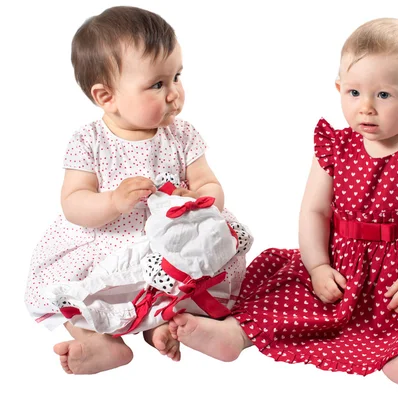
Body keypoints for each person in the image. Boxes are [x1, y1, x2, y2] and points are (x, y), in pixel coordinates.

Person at [168, 17, 398, 400]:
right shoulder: (336, 147)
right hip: (342, 267)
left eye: (383, 95)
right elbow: (315, 212)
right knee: (283, 290)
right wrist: (317, 267)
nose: (366, 107)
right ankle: (238, 334)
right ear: (338, 89)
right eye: (353, 93)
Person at [25, 6, 250, 375]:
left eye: (177, 76)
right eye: (157, 84)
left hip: (171, 243)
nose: (174, 93)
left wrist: (197, 199)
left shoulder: (182, 135)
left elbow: (210, 184)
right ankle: (97, 342)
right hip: (107, 243)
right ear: (106, 96)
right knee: (66, 289)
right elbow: (74, 203)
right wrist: (113, 201)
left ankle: (161, 327)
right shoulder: (89, 141)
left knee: (192, 272)